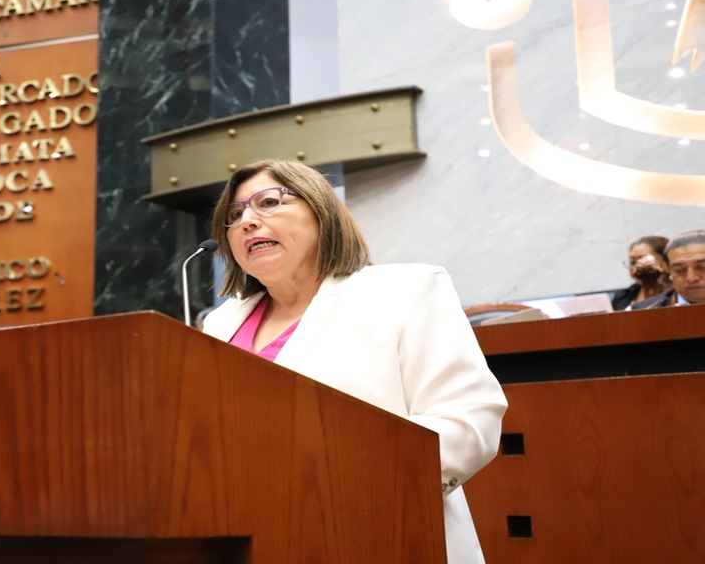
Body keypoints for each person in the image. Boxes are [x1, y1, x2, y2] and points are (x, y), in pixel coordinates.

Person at [201, 160, 507, 564]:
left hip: (381, 533)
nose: (247, 222)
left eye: (269, 202)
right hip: (247, 538)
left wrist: (344, 479)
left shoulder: (404, 291)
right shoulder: (220, 323)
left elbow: (469, 421)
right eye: (235, 215)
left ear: (321, 211)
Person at [631, 230, 705, 309]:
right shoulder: (645, 311)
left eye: (702, 267)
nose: (691, 278)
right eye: (680, 270)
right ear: (668, 269)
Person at [612, 235, 671, 311]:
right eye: (633, 262)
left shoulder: (677, 295)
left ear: (666, 262)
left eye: (644, 261)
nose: (637, 268)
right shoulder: (623, 296)